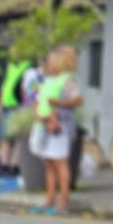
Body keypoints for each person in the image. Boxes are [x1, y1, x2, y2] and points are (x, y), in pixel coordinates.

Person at [34, 45, 83, 215]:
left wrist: (59, 104)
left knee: (60, 163)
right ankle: (49, 198)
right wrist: (38, 115)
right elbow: (39, 101)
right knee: (49, 163)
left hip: (60, 127)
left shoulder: (66, 81)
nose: (49, 64)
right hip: (45, 125)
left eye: (52, 61)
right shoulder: (47, 80)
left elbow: (78, 100)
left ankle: (63, 200)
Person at [0, 53, 33, 175]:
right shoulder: (10, 66)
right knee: (4, 136)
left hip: (18, 106)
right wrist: (0, 103)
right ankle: (4, 163)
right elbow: (5, 86)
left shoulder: (28, 66)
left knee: (17, 136)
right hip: (6, 105)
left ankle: (16, 164)